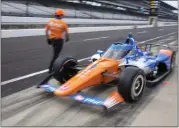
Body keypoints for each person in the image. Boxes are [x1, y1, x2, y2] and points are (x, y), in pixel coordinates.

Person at [45, 9, 69, 73]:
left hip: (52, 39)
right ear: (60, 15)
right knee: (56, 55)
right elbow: (66, 33)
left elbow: (46, 31)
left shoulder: (50, 21)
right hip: (59, 40)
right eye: (62, 15)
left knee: (55, 53)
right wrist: (67, 38)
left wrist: (48, 38)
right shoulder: (63, 23)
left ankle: (52, 66)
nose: (63, 16)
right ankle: (51, 68)